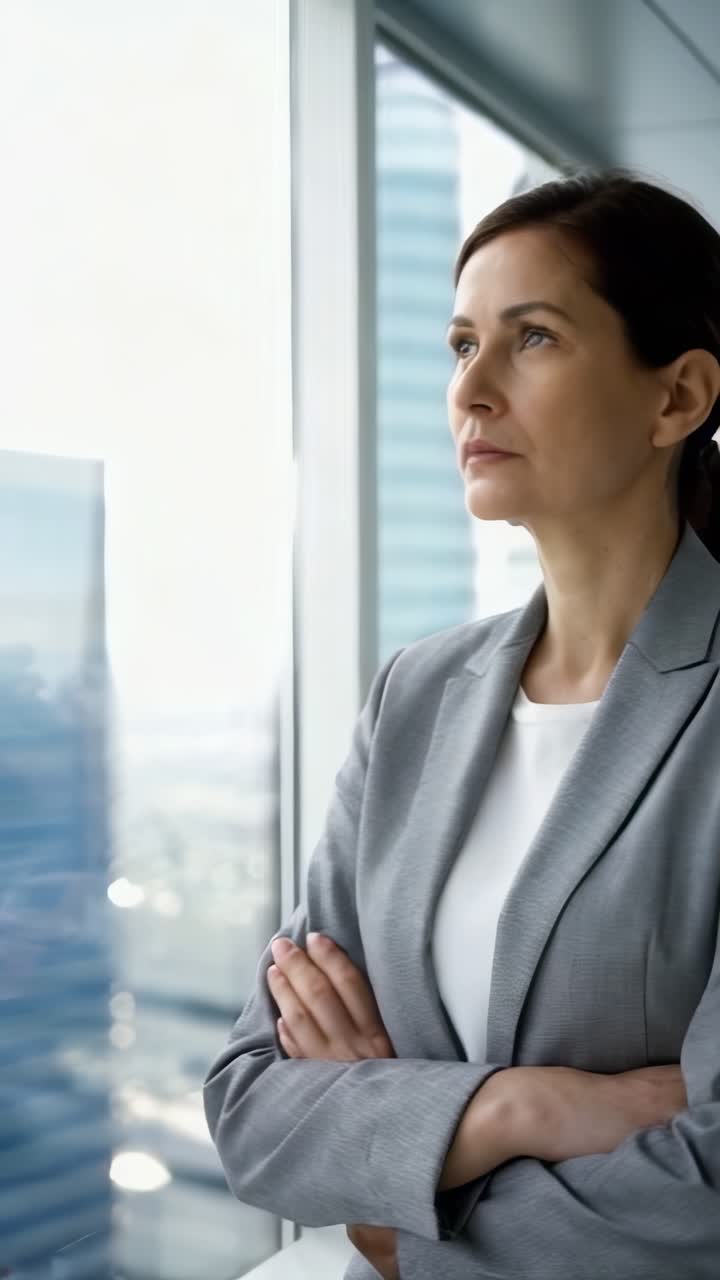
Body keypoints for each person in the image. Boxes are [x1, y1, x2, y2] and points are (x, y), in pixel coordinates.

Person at [203, 168, 720, 1279]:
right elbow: (250, 1102)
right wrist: (512, 1105)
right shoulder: (416, 695)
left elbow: (709, 1195)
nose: (471, 390)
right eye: (459, 344)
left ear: (676, 397)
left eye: (531, 338)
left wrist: (398, 1215)